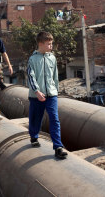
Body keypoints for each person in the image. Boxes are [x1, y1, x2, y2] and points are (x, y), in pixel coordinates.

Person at [27, 31, 68, 159]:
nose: (51, 46)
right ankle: (34, 136)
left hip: (51, 94)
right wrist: (37, 91)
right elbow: (30, 76)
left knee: (54, 118)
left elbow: (55, 76)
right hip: (36, 95)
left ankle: (58, 147)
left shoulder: (52, 58)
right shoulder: (32, 59)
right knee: (36, 118)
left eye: (51, 44)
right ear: (40, 44)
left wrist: (56, 90)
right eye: (48, 44)